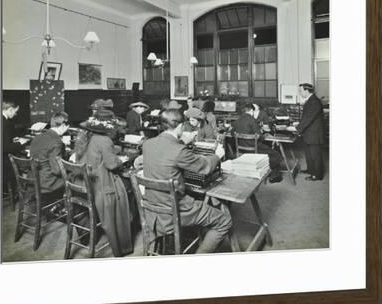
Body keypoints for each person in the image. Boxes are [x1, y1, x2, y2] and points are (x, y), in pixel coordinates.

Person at [142, 109, 232, 254]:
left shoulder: (148, 144)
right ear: (180, 126)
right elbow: (204, 167)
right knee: (224, 221)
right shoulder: (179, 151)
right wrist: (217, 155)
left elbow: (165, 151)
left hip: (152, 209)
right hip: (176, 211)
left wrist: (182, 141)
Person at [74, 110, 134, 257]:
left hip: (82, 184)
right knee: (128, 190)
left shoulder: (86, 136)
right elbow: (112, 165)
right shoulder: (105, 140)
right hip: (100, 186)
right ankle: (125, 235)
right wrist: (123, 160)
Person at [232, 103, 283, 183]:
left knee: (269, 151)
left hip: (241, 149)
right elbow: (259, 137)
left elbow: (232, 133)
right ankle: (274, 176)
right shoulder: (252, 120)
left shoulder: (237, 120)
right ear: (251, 110)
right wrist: (262, 132)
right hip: (253, 148)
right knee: (276, 154)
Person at [27, 112, 70, 199]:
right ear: (63, 125)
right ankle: (67, 208)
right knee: (74, 178)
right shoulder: (57, 142)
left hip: (33, 179)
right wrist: (70, 164)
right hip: (47, 183)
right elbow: (57, 170)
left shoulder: (38, 137)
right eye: (67, 127)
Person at [293, 83, 325, 181]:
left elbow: (309, 118)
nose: (300, 93)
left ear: (307, 90)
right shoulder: (310, 100)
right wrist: (298, 124)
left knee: (315, 155)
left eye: (301, 91)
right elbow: (307, 118)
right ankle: (311, 170)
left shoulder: (314, 102)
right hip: (309, 133)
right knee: (309, 154)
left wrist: (297, 128)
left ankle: (317, 175)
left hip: (314, 134)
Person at [2, 101, 29, 195]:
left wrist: (12, 140)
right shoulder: (4, 123)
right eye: (15, 111)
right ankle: (19, 193)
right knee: (24, 166)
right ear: (10, 110)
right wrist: (21, 143)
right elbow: (5, 148)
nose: (15, 114)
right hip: (3, 163)